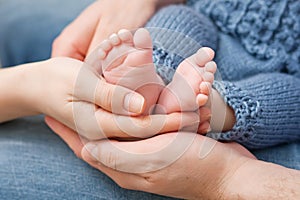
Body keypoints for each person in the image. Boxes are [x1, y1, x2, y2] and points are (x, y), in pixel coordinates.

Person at [0, 0, 299, 199]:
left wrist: (227, 178)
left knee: (282, 97)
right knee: (179, 20)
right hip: (205, 17)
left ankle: (206, 109)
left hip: (288, 76)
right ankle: (153, 78)